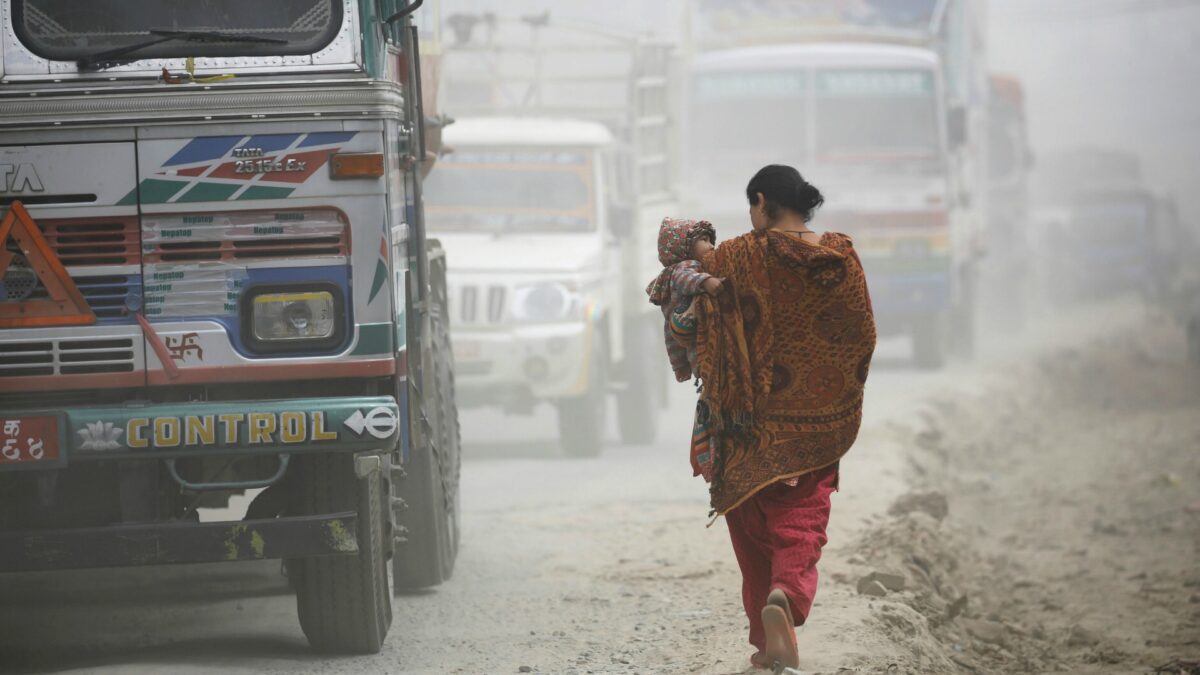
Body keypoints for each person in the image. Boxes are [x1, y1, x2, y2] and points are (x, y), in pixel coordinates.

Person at [691, 165, 877, 670]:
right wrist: (836, 388)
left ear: (760, 201)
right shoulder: (838, 255)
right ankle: (786, 598)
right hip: (814, 425)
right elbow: (861, 332)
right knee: (802, 518)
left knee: (751, 528)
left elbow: (699, 312)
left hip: (744, 426)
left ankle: (763, 640)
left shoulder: (735, 256)